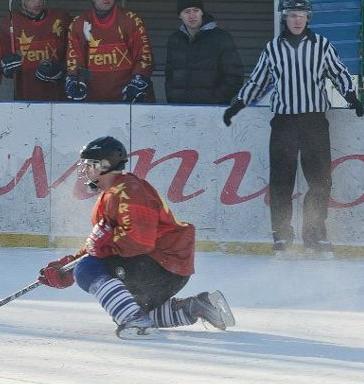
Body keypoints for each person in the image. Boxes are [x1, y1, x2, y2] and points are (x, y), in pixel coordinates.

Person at [36, 136, 235, 340]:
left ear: (104, 165)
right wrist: (68, 268)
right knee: (133, 306)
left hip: (161, 264)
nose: (85, 170)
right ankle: (195, 307)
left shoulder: (129, 190)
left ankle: (135, 322)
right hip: (164, 266)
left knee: (88, 270)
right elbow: (101, 242)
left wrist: (84, 266)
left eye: (89, 164)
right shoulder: (112, 194)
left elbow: (139, 240)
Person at [222, 0, 363, 258]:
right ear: (284, 18)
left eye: (301, 15)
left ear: (307, 17)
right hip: (284, 123)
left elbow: (339, 72)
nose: (297, 20)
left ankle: (314, 235)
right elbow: (258, 80)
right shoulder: (272, 48)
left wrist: (351, 97)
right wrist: (238, 104)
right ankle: (282, 238)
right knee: (281, 183)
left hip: (314, 122)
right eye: (291, 15)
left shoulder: (321, 45)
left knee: (321, 181)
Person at [64, 0, 154, 104]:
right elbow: (75, 59)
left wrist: (139, 78)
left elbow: (144, 55)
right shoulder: (79, 23)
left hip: (129, 101)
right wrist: (75, 79)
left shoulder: (130, 20)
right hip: (94, 103)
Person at [163, 0, 244, 105]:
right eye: (187, 11)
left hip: (213, 110)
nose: (192, 15)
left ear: (202, 12)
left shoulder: (221, 38)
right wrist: (172, 98)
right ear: (180, 16)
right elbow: (169, 75)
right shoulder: (175, 40)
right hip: (179, 109)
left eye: (196, 10)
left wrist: (216, 100)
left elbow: (235, 76)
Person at [0, 0, 71, 102]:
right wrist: (4, 65)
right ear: (21, 2)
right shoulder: (12, 23)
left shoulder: (60, 18)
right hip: (25, 98)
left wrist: (62, 69)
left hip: (58, 98)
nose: (37, 2)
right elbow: (1, 60)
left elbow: (74, 54)